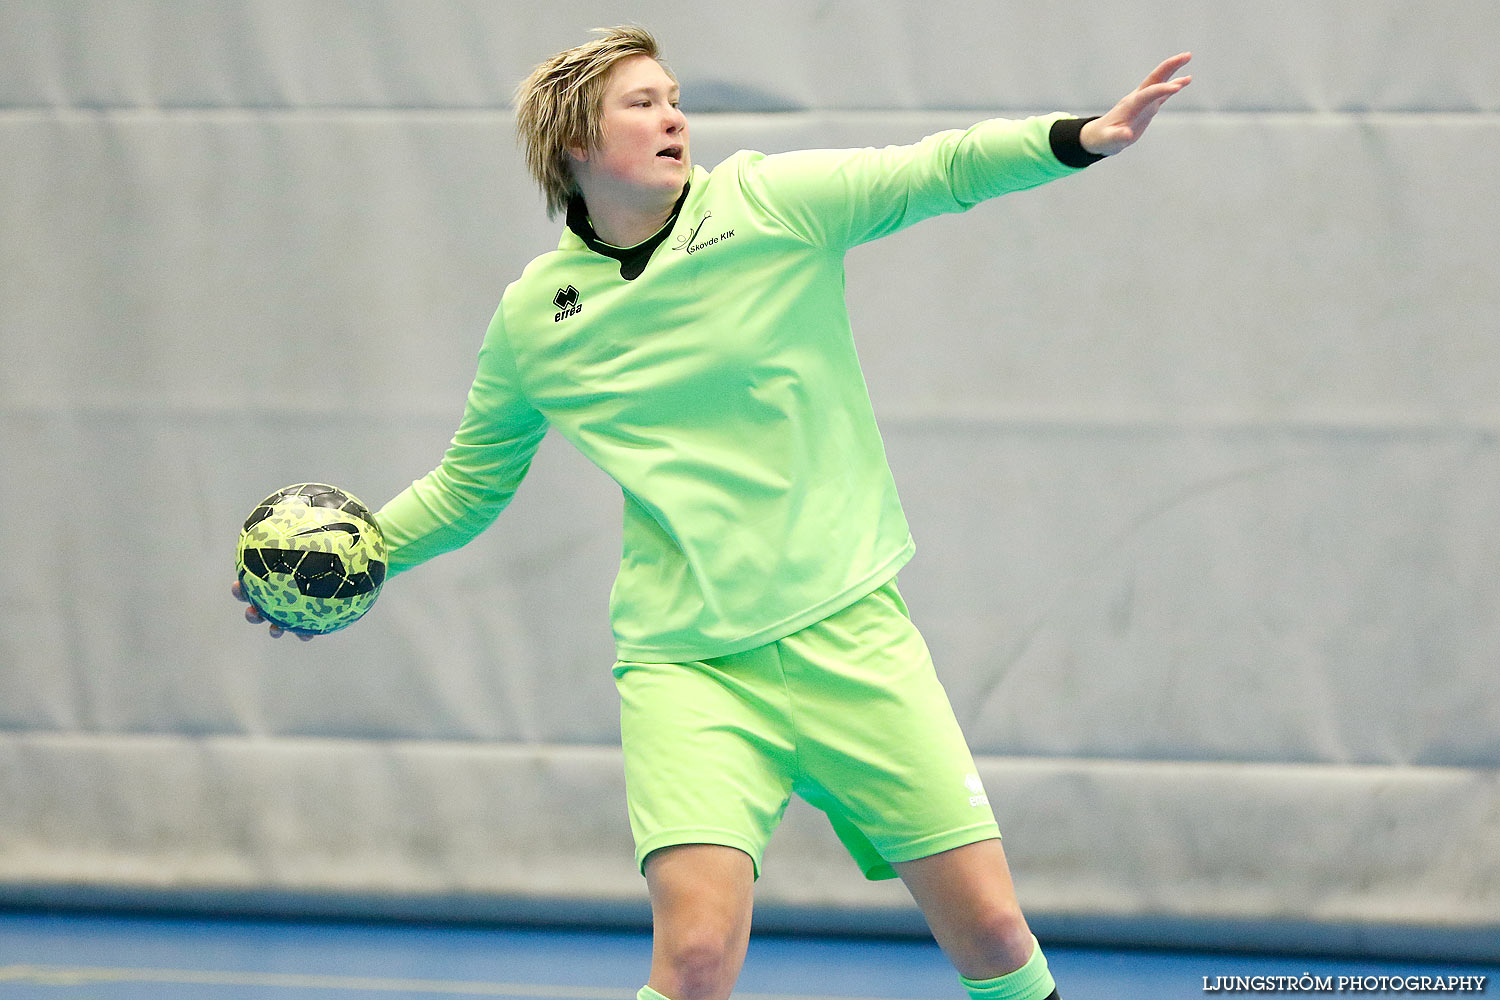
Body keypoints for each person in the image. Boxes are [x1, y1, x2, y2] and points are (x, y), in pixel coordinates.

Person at [236, 26, 1191, 1000]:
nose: (673, 117)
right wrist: (355, 558)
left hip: (848, 632)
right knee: (694, 960)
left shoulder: (770, 204)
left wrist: (1080, 136)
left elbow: (932, 171)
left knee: (990, 931)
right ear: (574, 142)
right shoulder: (538, 317)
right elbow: (469, 485)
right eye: (641, 103)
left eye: (674, 97)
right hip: (686, 664)